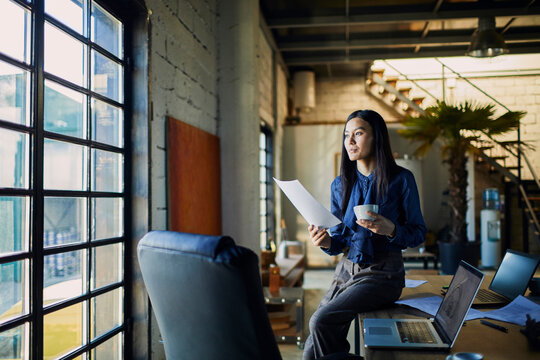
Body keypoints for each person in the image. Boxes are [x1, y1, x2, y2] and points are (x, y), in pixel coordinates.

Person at [303, 110, 426, 359]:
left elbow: (418, 233)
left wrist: (391, 230)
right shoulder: (340, 184)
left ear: (377, 137)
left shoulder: (402, 179)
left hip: (384, 274)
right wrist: (325, 241)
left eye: (358, 133)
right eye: (347, 135)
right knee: (310, 350)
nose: (350, 141)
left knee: (321, 322)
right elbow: (338, 241)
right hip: (346, 269)